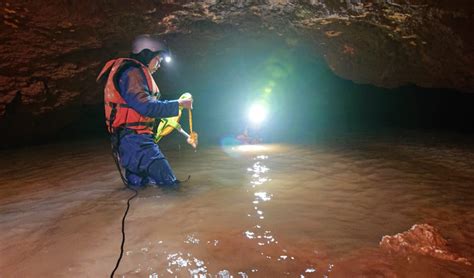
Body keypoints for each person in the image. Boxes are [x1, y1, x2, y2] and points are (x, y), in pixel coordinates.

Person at [97, 35, 192, 187]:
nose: (159, 65)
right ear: (146, 53)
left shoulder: (132, 73)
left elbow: (143, 107)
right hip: (137, 143)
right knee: (170, 184)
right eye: (158, 60)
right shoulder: (132, 74)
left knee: (141, 186)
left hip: (128, 143)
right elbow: (146, 107)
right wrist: (178, 104)